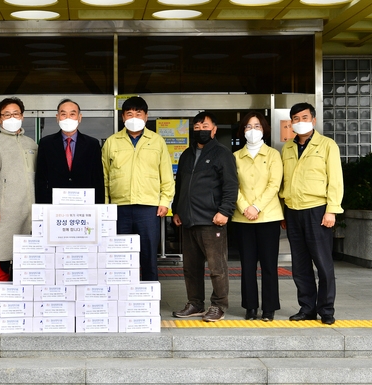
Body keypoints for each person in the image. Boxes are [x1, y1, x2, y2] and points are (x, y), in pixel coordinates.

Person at [280, 102, 343, 325]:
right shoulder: (287, 148)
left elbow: (335, 181)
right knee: (300, 265)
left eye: (304, 117)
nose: (299, 122)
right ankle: (307, 308)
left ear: (313, 120)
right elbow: (283, 182)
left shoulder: (327, 145)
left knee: (323, 264)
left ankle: (326, 310)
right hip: (293, 211)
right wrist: (283, 212)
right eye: (295, 119)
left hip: (318, 211)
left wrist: (332, 211)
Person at [172, 111, 238, 322]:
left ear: (215, 129)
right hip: (188, 220)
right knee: (190, 268)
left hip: (212, 220)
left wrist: (225, 211)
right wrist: (177, 209)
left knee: (217, 268)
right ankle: (195, 303)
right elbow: (180, 185)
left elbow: (231, 185)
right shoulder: (186, 155)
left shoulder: (222, 153)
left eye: (205, 126)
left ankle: (218, 305)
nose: (201, 131)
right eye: (197, 127)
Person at [102, 96, 174, 281]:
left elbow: (166, 176)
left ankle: (149, 300)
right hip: (119, 208)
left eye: (138, 113)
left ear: (146, 116)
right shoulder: (112, 142)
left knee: (149, 255)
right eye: (129, 113)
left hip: (148, 207)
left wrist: (165, 202)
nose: (134, 117)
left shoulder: (157, 141)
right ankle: (122, 297)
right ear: (123, 118)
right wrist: (105, 206)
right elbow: (104, 177)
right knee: (120, 256)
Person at [0, 97, 37, 281]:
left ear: (22, 116)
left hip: (31, 211)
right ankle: (2, 303)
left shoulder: (31, 144)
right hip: (5, 211)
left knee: (27, 260)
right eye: (7, 115)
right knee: (3, 256)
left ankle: (24, 302)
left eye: (15, 114)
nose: (12, 118)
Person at [233, 112, 283, 321]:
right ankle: (250, 307)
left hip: (268, 217)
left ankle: (269, 308)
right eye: (248, 127)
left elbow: (274, 184)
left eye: (257, 126)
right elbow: (232, 186)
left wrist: (256, 207)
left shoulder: (273, 155)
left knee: (269, 265)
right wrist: (246, 207)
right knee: (247, 264)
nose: (252, 130)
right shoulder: (235, 156)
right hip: (243, 218)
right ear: (243, 131)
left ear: (264, 129)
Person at [35, 98, 105, 204]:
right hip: (54, 204)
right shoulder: (46, 143)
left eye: (72, 114)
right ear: (57, 117)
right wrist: (42, 206)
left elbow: (97, 179)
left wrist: (99, 207)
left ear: (79, 117)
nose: (68, 118)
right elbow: (41, 179)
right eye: (63, 114)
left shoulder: (92, 144)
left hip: (85, 204)